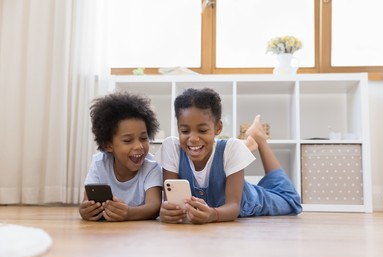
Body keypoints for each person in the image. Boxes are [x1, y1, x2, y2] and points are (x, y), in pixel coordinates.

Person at [155, 88, 302, 224]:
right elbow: (170, 203)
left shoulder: (231, 147)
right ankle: (246, 148)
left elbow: (233, 207)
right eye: (185, 131)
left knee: (291, 201)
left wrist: (213, 214)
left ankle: (260, 140)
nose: (193, 138)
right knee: (233, 153)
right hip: (229, 166)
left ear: (218, 128)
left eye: (202, 130)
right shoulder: (172, 148)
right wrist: (168, 211)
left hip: (247, 199)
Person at [79, 92, 163, 222]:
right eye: (128, 140)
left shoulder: (151, 168)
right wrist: (85, 211)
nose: (139, 146)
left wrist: (128, 213)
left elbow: (154, 207)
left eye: (143, 138)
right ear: (108, 145)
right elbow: (87, 201)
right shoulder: (99, 164)